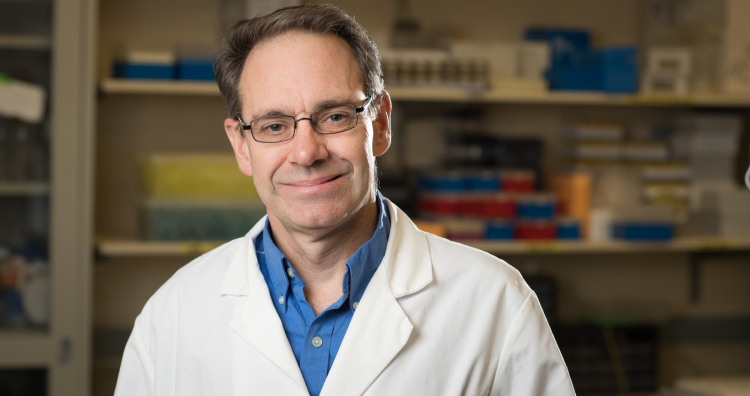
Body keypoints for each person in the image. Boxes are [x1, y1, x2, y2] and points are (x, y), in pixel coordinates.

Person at [114, 5, 575, 396]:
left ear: (381, 122)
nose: (306, 152)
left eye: (334, 116)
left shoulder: (495, 303)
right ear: (241, 145)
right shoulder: (173, 313)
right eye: (274, 126)